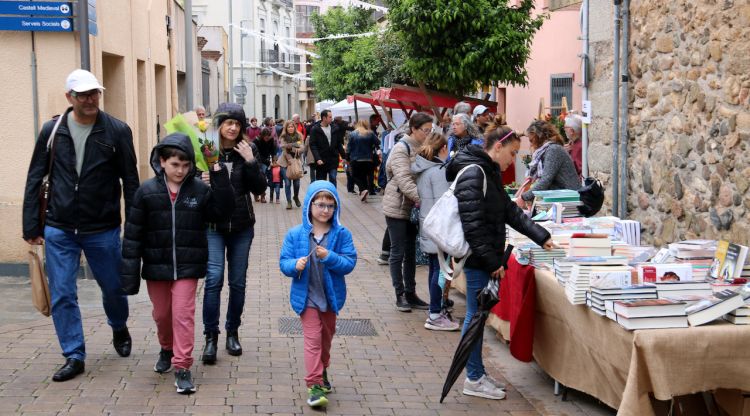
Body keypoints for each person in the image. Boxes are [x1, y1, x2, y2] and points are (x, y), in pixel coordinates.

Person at [22, 69, 139, 382]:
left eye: (95, 93)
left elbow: (130, 179)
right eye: (83, 94)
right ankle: (73, 354)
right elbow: (35, 176)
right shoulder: (52, 130)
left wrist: (135, 226)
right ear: (69, 98)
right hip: (59, 227)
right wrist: (32, 224)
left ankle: (118, 325)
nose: (91, 99)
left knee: (114, 287)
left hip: (102, 227)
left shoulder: (116, 130)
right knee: (62, 293)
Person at [120, 133, 234, 394]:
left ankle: (182, 366)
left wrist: (216, 170)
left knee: (183, 315)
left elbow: (223, 211)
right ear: (162, 162)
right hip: (156, 265)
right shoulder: (146, 192)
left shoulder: (200, 190)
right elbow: (133, 234)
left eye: (185, 165)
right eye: (175, 165)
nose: (181, 170)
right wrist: (129, 274)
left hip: (188, 265)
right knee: (162, 315)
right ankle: (166, 348)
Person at [446, 125, 554, 400]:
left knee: (478, 318)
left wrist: (541, 236)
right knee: (474, 318)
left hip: (483, 257)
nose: (513, 160)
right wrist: (493, 261)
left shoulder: (488, 171)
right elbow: (473, 225)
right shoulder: (475, 172)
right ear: (498, 147)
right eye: (512, 152)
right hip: (477, 259)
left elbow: (508, 211)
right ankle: (472, 378)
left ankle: (477, 372)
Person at [279, 181, 357, 409]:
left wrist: (329, 256)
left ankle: (322, 369)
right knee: (312, 340)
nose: (325, 210)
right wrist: (296, 265)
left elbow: (349, 263)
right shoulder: (295, 234)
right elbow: (284, 263)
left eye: (331, 206)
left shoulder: (341, 234)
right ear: (309, 205)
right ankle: (314, 385)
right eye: (320, 204)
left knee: (325, 340)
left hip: (331, 300)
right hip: (307, 299)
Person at [201, 102, 267, 365]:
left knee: (237, 282)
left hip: (241, 226)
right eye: (228, 122)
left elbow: (260, 188)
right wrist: (200, 180)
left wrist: (251, 161)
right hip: (213, 226)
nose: (232, 127)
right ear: (219, 124)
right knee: (214, 279)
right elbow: (187, 181)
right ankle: (210, 337)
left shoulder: (247, 151)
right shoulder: (206, 150)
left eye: (237, 123)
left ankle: (232, 332)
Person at [383, 112, 433, 312]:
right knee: (398, 252)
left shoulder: (423, 147)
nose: (428, 134)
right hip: (398, 206)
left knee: (412, 251)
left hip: (413, 207)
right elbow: (404, 180)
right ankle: (400, 294)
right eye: (425, 130)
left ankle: (411, 293)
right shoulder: (400, 148)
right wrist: (424, 200)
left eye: (431, 131)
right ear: (414, 129)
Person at [411, 132, 459, 331]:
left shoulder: (424, 168)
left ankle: (435, 310)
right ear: (443, 149)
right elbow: (445, 202)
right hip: (440, 228)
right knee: (439, 272)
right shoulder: (439, 171)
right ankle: (435, 314)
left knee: (435, 269)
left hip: (429, 226)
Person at [518, 120, 581, 208]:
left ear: (538, 136)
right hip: (563, 199)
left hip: (569, 201)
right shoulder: (549, 149)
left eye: (531, 140)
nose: (531, 144)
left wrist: (524, 197)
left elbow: (546, 180)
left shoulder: (553, 150)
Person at [309, 110, 346, 186]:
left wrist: (344, 157)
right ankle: (322, 196)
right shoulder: (315, 129)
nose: (331, 118)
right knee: (321, 181)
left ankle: (333, 196)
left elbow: (339, 143)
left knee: (333, 177)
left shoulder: (335, 128)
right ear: (324, 118)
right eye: (330, 117)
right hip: (321, 160)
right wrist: (318, 158)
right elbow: (313, 145)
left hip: (333, 159)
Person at [347, 120, 380, 202]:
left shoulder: (353, 134)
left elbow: (349, 147)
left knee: (355, 175)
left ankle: (363, 189)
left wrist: (347, 158)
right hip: (369, 159)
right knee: (366, 176)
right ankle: (363, 193)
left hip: (356, 159)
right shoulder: (370, 133)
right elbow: (378, 143)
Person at [278, 120, 304, 209]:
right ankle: (289, 201)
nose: (291, 128)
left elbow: (302, 147)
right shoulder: (283, 137)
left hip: (296, 161)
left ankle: (295, 197)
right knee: (288, 183)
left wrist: (292, 147)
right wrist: (294, 147)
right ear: (286, 128)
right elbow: (284, 148)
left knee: (296, 183)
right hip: (285, 162)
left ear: (294, 127)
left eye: (292, 126)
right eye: (289, 127)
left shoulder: (299, 136)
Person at [254, 127, 277, 203]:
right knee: (257, 178)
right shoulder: (256, 140)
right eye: (265, 137)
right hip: (256, 160)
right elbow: (257, 154)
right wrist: (268, 162)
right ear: (262, 136)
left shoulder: (271, 140)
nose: (267, 139)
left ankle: (262, 196)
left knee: (263, 178)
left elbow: (273, 150)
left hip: (265, 160)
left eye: (268, 137)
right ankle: (256, 193)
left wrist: (274, 159)